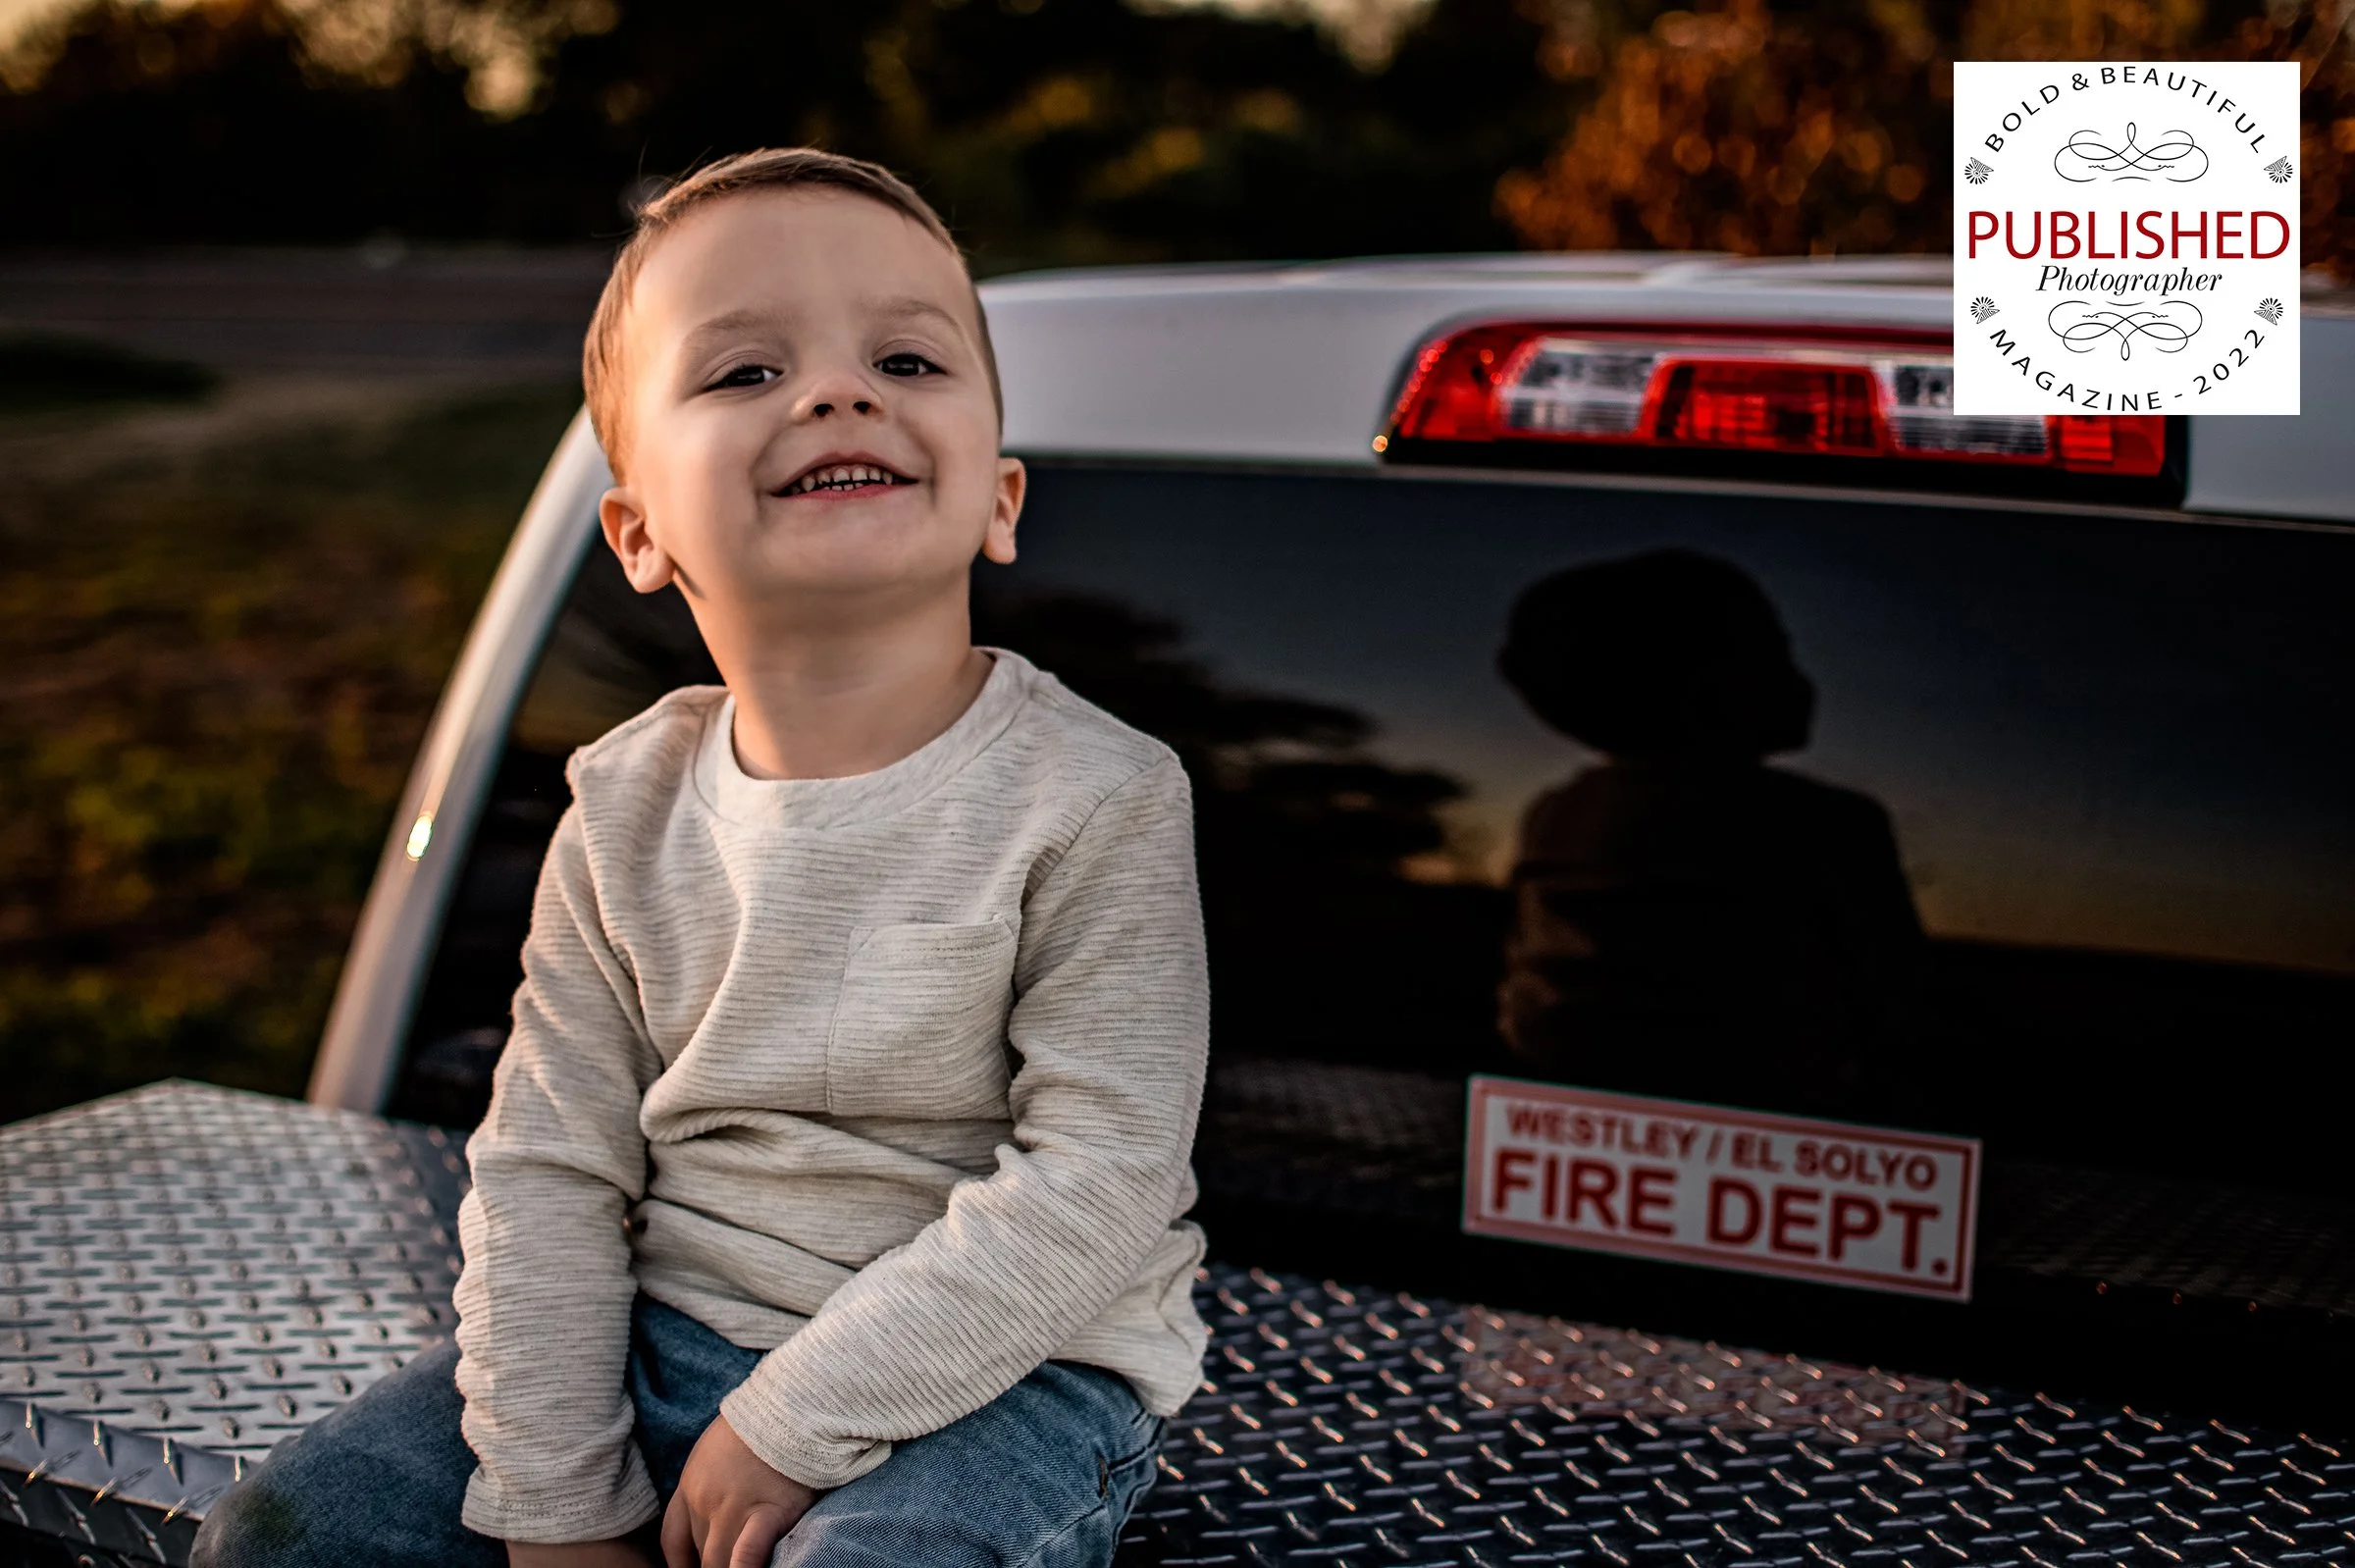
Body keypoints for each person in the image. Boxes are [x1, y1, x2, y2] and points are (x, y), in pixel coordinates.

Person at [193, 149, 1211, 1568]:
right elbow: (549, 1170)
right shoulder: (621, 806)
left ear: (1002, 496)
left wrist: (788, 1426)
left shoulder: (1097, 793)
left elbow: (1097, 1179)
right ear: (638, 532)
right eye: (743, 372)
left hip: (1007, 1375)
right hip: (657, 1329)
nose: (839, 392)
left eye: (907, 356)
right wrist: (559, 1496)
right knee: (282, 1535)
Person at [1493, 549, 1925, 1123]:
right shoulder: (1824, 821)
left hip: (1571, 1111)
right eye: (1774, 652)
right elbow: (1897, 1004)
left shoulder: (1552, 813)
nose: (1803, 678)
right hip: (1761, 1117)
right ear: (1704, 685)